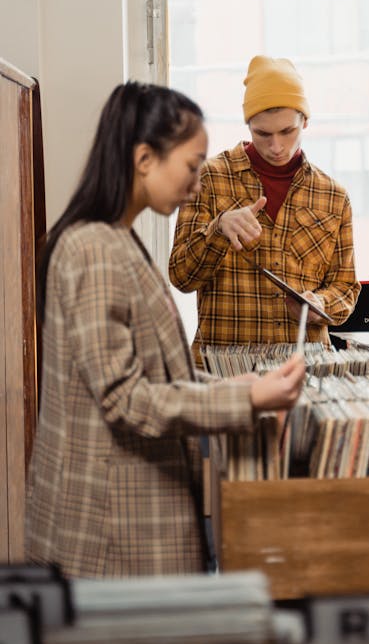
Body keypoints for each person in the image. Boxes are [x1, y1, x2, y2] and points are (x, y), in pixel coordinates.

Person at [26, 82, 306, 578]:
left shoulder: (115, 238)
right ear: (144, 159)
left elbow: (151, 373)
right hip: (111, 534)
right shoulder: (93, 247)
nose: (198, 183)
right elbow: (124, 398)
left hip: (126, 521)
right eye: (191, 166)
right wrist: (246, 401)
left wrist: (230, 386)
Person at [169, 55, 360, 356]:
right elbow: (181, 276)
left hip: (304, 373)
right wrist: (218, 230)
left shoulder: (333, 196)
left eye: (287, 131)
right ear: (248, 125)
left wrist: (320, 305)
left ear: (305, 121)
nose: (276, 146)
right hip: (223, 377)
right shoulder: (209, 178)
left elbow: (346, 287)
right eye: (262, 133)